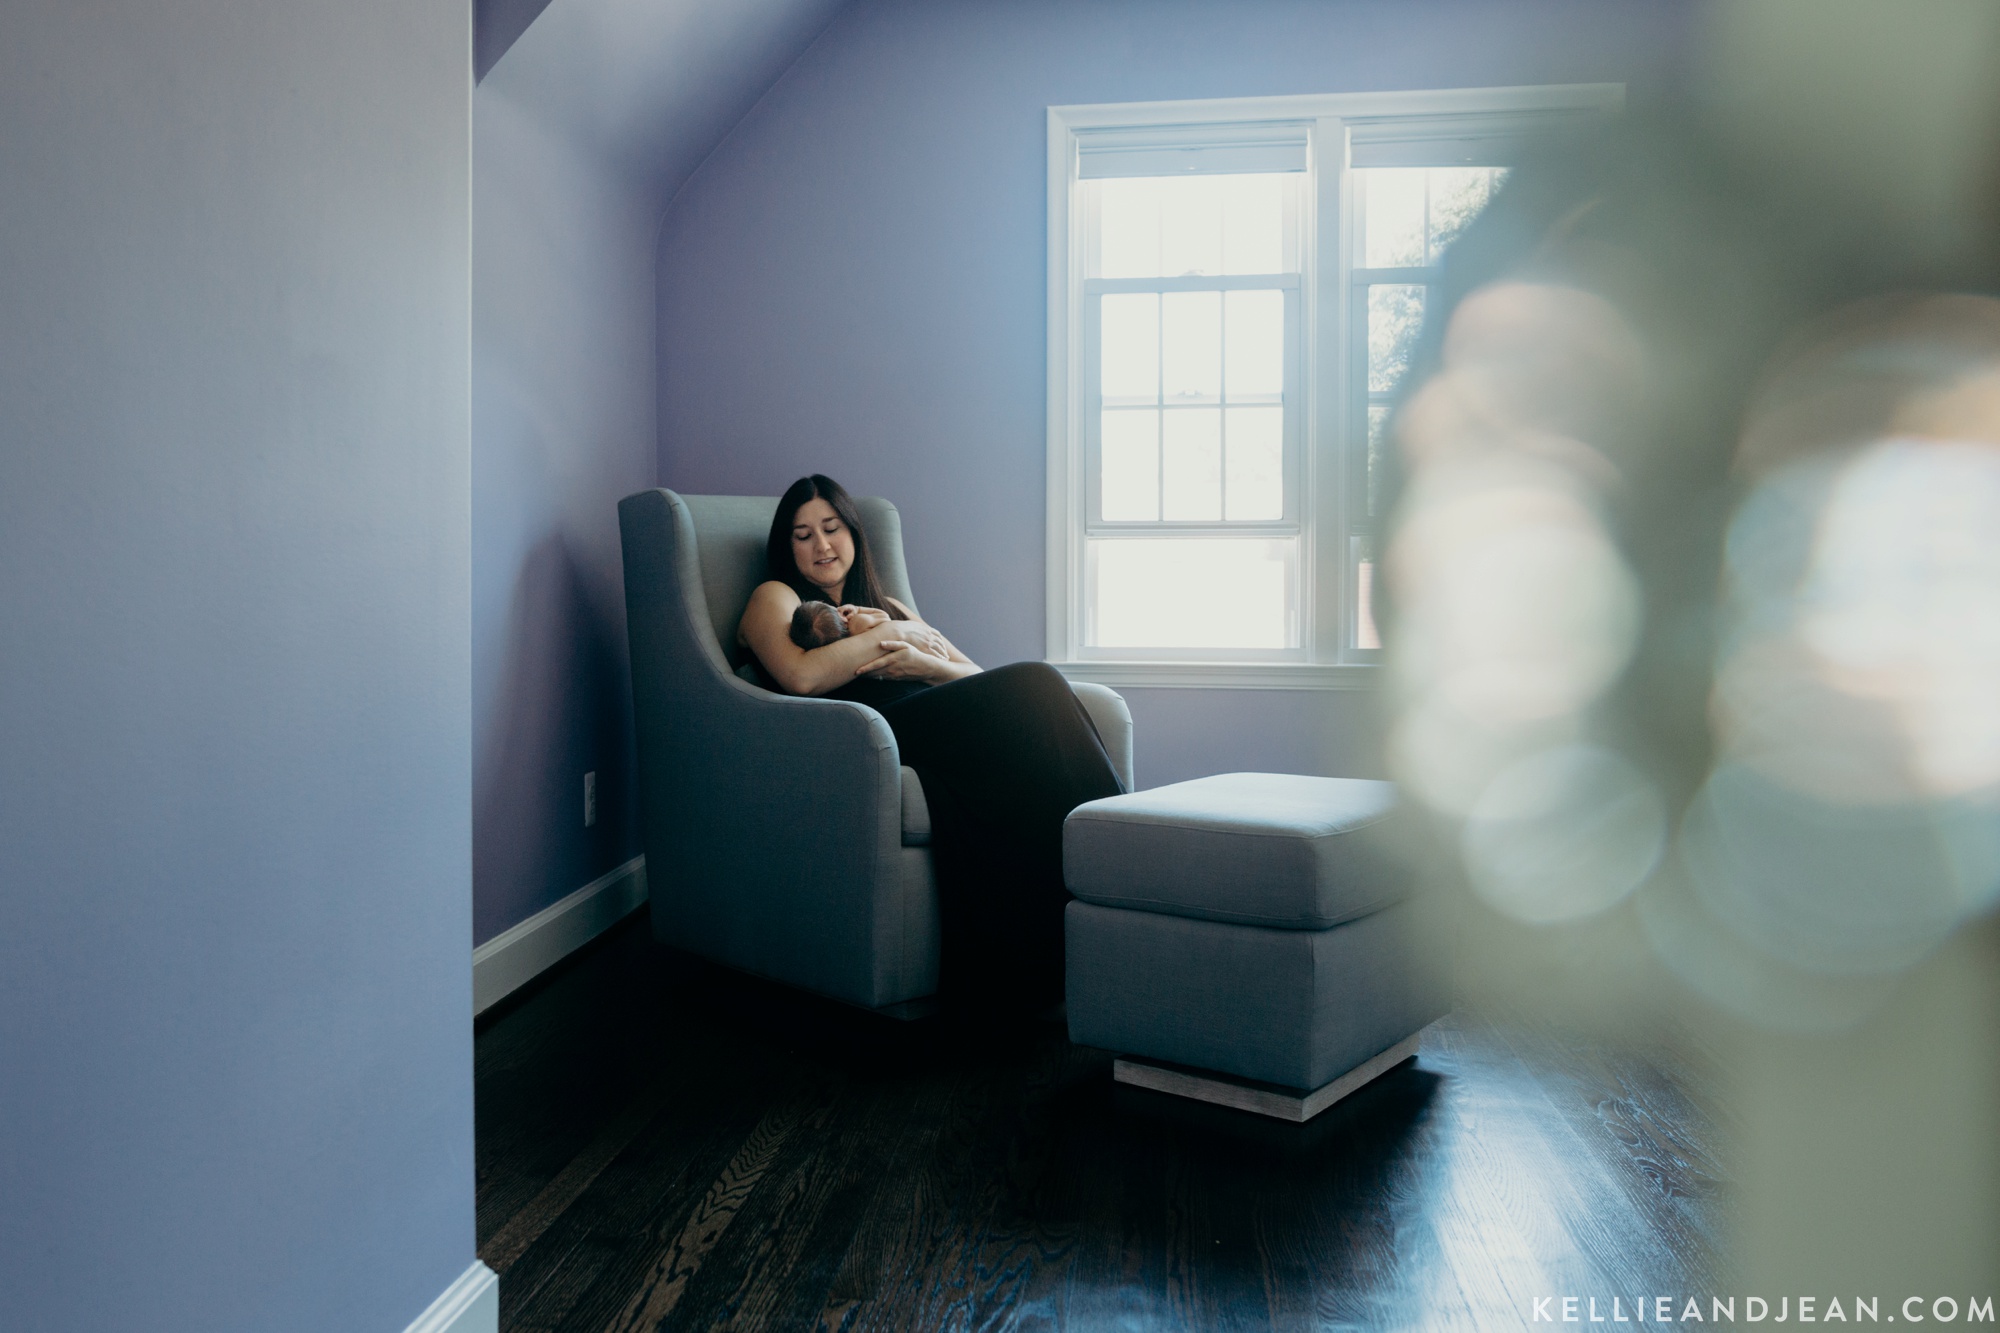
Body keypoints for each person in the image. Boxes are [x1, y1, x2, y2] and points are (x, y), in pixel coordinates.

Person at [738, 474, 1125, 1010]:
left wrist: (923, 662)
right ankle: (1124, 850)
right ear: (786, 545)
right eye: (803, 535)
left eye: (831, 528)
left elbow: (977, 675)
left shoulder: (887, 601)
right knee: (1037, 682)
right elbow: (801, 677)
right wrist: (883, 636)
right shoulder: (775, 596)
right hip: (875, 732)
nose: (821, 545)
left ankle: (1089, 909)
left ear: (853, 532)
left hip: (931, 711)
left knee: (1037, 697)